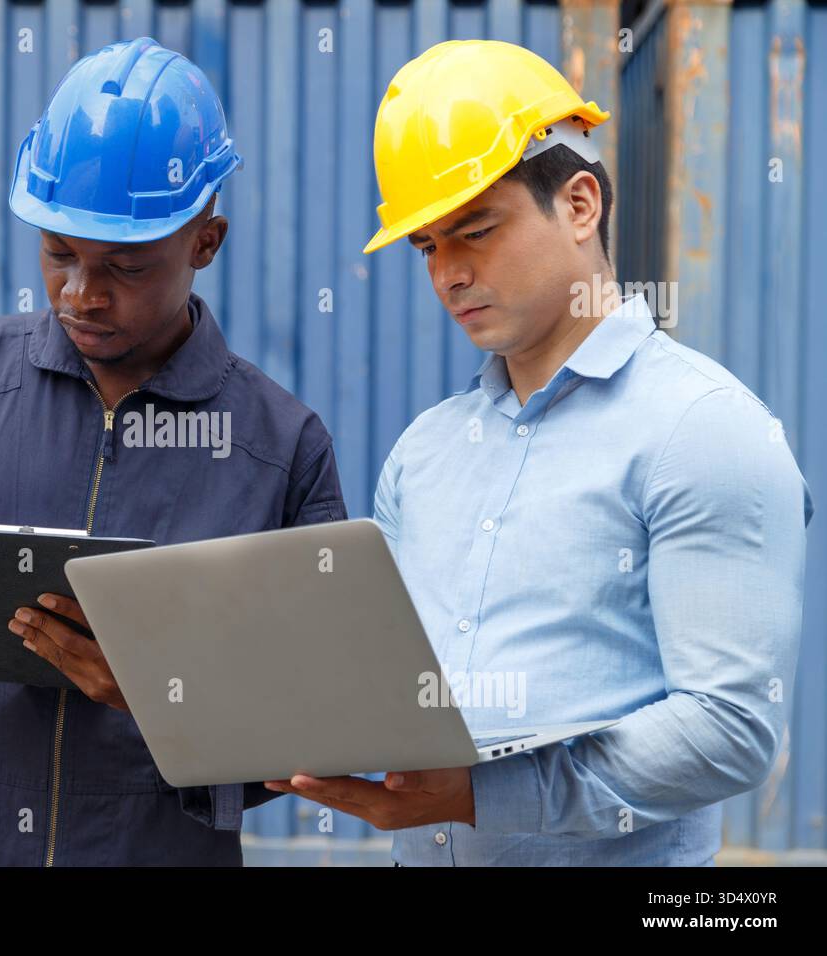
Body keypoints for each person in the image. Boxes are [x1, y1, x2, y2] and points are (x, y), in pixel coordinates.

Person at [0, 36, 346, 866]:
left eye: (124, 265)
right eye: (58, 253)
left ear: (206, 242)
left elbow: (323, 719)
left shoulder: (279, 447)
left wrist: (164, 694)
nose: (81, 292)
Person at [267, 39, 813, 866]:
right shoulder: (427, 453)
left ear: (581, 203)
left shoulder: (704, 431)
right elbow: (389, 691)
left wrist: (486, 796)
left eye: (475, 231)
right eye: (427, 248)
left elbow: (730, 728)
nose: (449, 273)